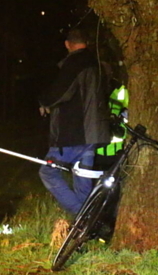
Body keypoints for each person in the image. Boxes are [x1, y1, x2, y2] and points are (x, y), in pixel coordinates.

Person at [38, 27, 111, 216]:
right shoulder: (98, 65)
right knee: (83, 178)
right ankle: (88, 225)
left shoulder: (75, 64)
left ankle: (81, 215)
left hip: (74, 132)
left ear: (67, 44)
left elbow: (58, 94)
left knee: (48, 172)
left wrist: (44, 101)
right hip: (95, 133)